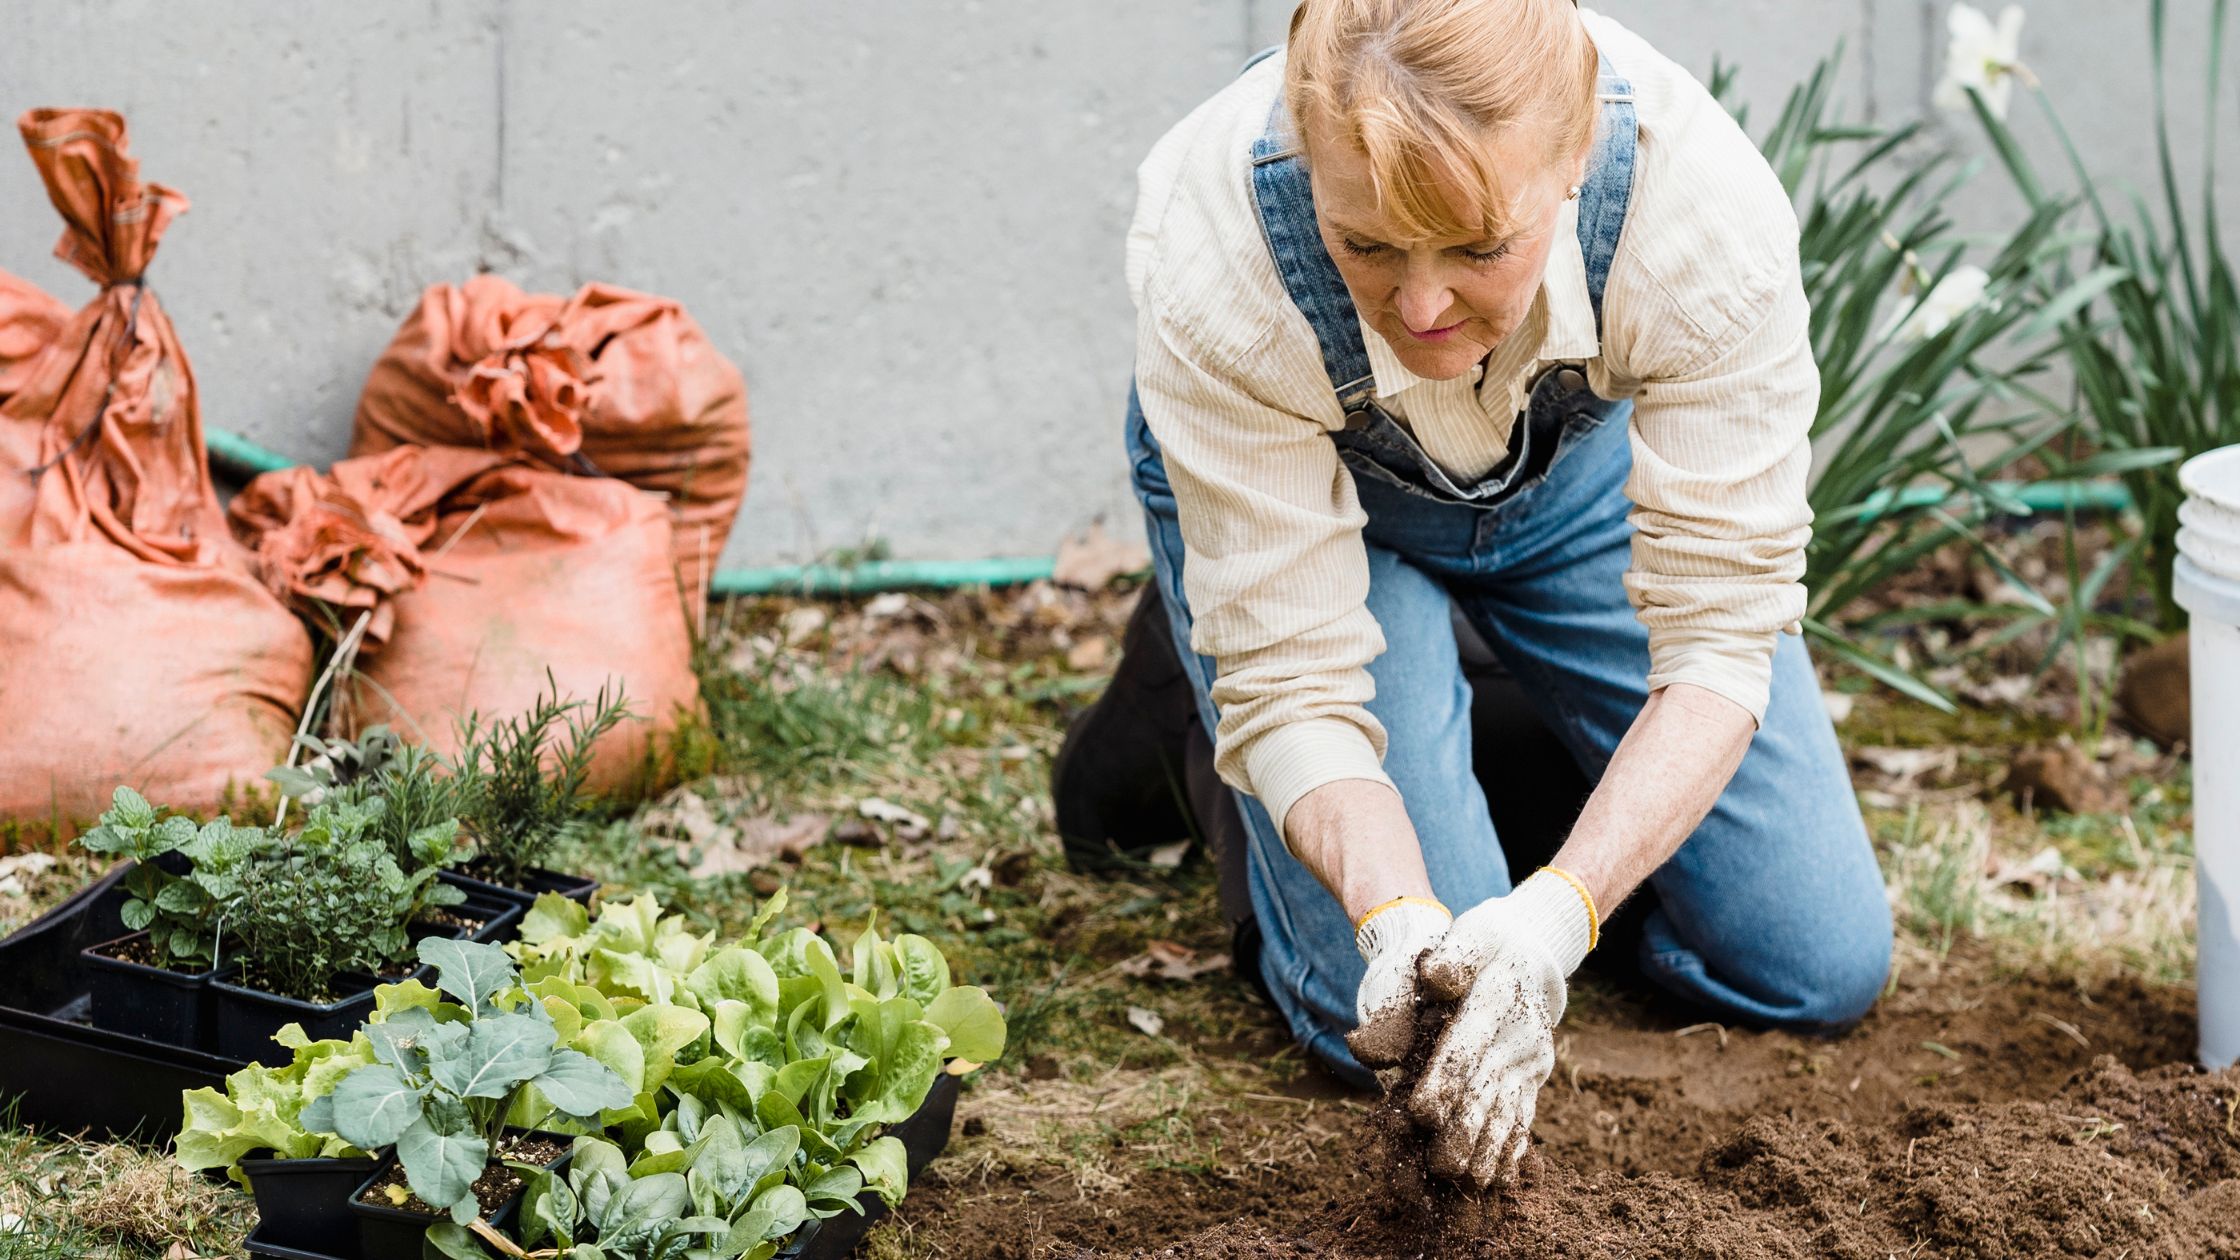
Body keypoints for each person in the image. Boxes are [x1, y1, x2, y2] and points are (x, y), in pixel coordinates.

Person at [1081, 0, 1894, 1189]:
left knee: (1816, 967)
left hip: (1570, 492)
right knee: (1397, 1024)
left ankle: (1456, 722)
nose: (1417, 309)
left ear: (1568, 162)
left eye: (1475, 248)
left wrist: (1557, 916)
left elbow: (1719, 644)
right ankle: (1202, 690)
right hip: (1326, 511)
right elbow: (1299, 688)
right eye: (1363, 246)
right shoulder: (1218, 254)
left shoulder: (1694, 212)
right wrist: (1392, 915)